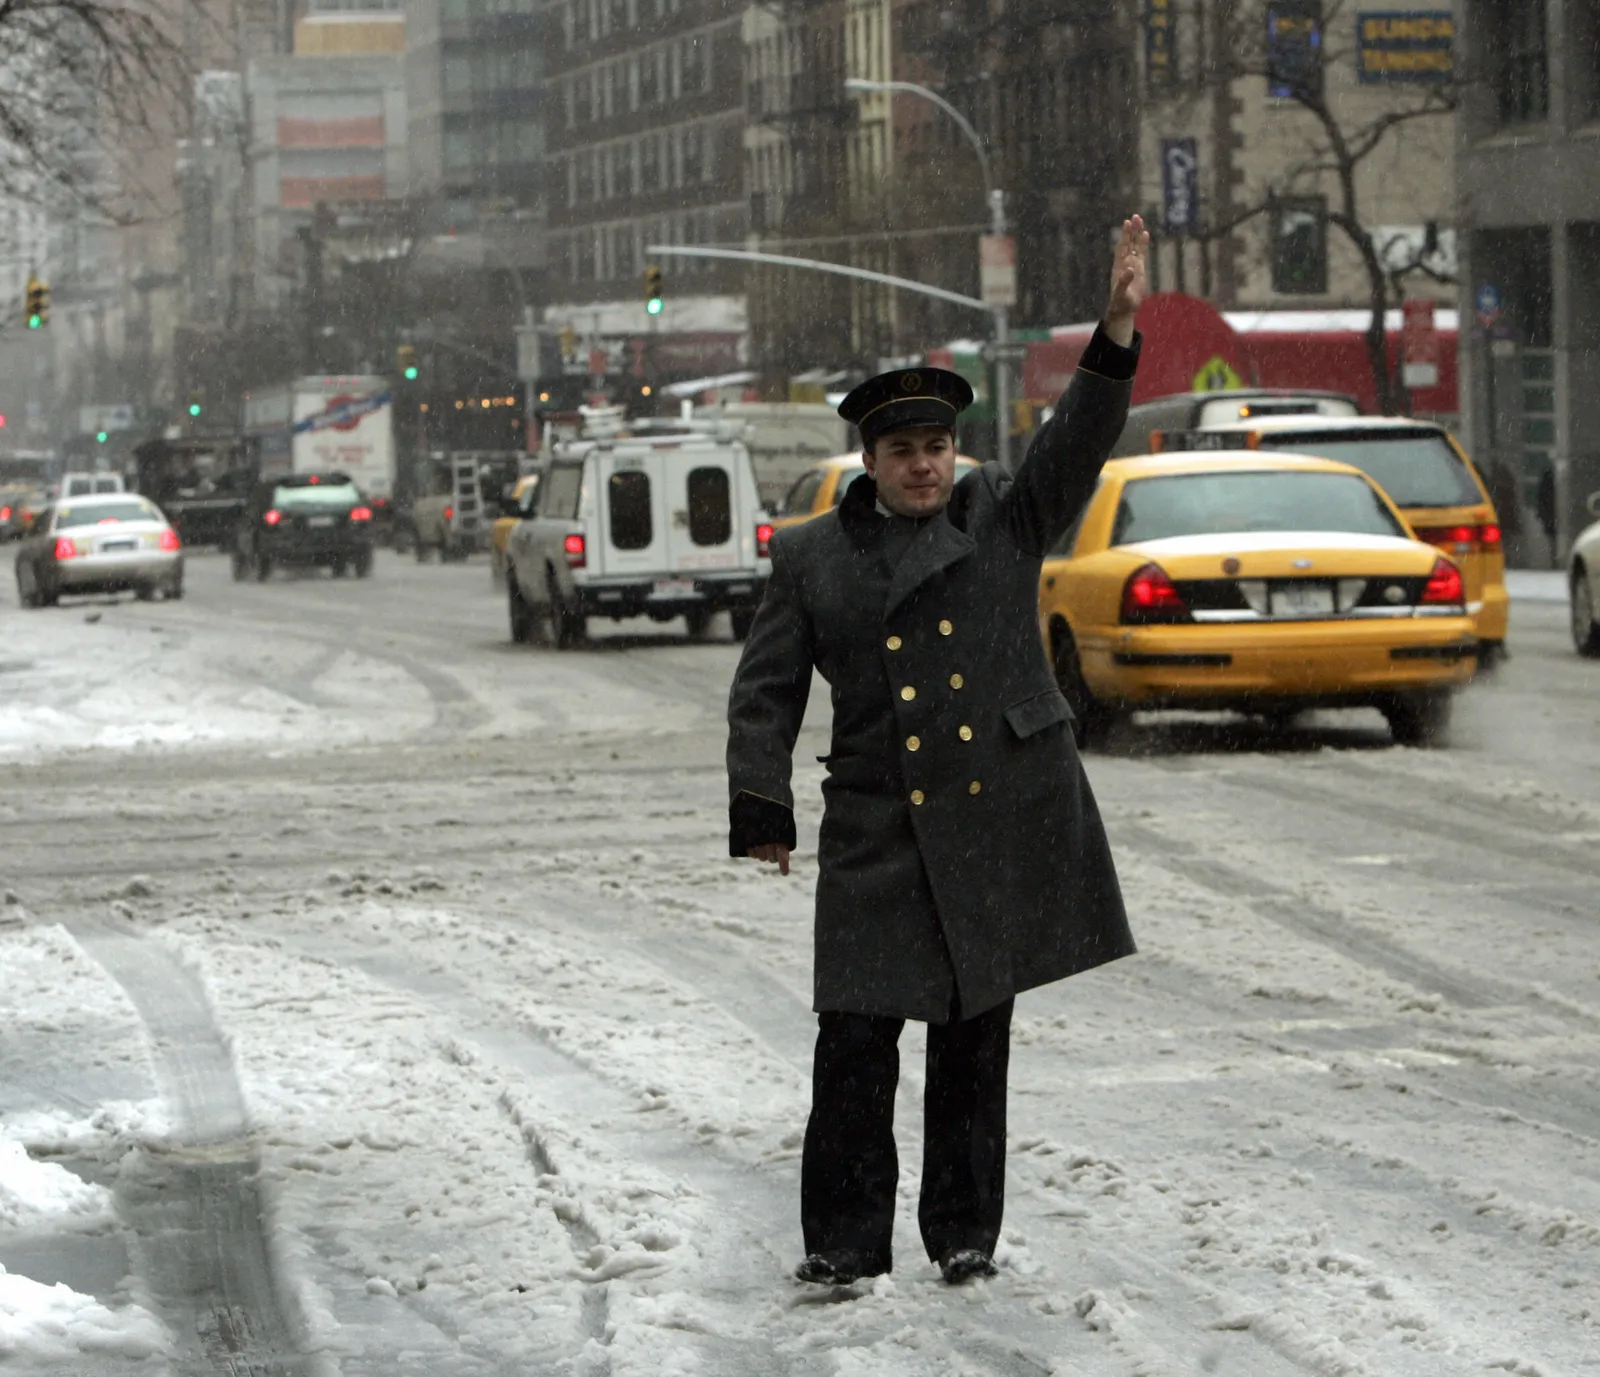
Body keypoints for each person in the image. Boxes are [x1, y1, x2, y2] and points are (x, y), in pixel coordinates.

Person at [726, 216, 1149, 1287]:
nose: (924, 466)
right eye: (903, 452)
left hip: (985, 820)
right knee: (855, 1044)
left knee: (973, 1043)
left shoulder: (1002, 519)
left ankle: (964, 1236)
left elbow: (1078, 440)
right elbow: (765, 692)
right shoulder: (812, 557)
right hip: (873, 826)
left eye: (936, 448)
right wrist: (760, 808)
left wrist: (1114, 330)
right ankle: (841, 1244)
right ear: (866, 463)